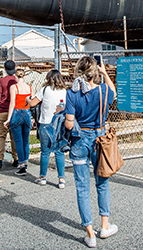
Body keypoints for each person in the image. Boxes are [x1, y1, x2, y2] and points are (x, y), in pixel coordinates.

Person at [65, 56, 118, 248]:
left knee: (82, 188)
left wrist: (63, 116)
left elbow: (69, 124)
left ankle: (89, 234)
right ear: (95, 72)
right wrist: (105, 73)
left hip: (80, 141)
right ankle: (104, 226)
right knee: (102, 182)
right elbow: (113, 94)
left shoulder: (72, 93)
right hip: (99, 139)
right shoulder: (103, 90)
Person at [26, 69, 67, 188]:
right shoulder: (64, 91)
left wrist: (27, 99)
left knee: (45, 152)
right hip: (58, 124)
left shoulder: (45, 90)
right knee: (59, 152)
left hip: (45, 123)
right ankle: (61, 179)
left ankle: (42, 177)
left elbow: (33, 103)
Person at [4, 68, 32, 175]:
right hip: (27, 113)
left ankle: (21, 165)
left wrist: (8, 118)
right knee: (26, 141)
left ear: (16, 77)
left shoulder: (14, 87)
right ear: (24, 76)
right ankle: (25, 161)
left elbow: (12, 103)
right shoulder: (29, 87)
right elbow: (31, 102)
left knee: (18, 142)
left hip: (17, 113)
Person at [0, 60, 18, 170]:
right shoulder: (17, 81)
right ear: (15, 68)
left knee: (1, 136)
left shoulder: (1, 81)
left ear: (4, 69)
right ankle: (16, 158)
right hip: (14, 111)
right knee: (14, 136)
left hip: (3, 110)